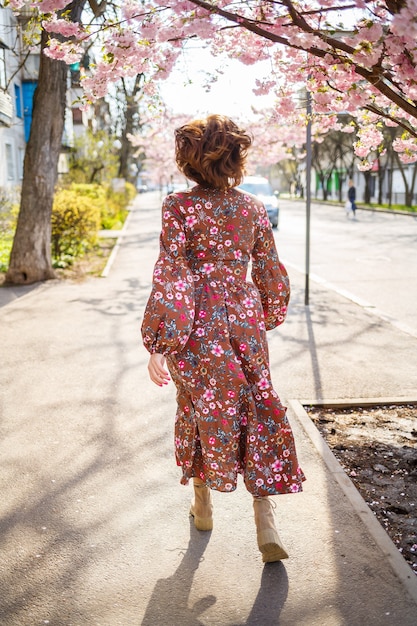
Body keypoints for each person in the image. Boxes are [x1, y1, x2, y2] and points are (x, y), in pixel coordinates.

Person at [141, 114, 305, 563]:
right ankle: (264, 516)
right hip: (243, 319)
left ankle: (202, 503)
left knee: (196, 406)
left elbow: (173, 274)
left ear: (187, 162)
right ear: (236, 158)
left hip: (195, 325)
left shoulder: (178, 206)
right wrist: (267, 312)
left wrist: (160, 341)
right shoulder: (252, 207)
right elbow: (271, 270)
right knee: (256, 400)